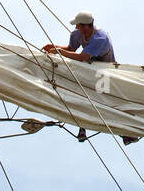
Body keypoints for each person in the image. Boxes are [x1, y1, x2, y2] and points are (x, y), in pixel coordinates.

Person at [42, 12, 138, 145]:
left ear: (86, 26)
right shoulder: (76, 34)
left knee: (105, 102)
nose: (76, 28)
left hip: (104, 71)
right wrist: (54, 46)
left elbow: (82, 56)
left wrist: (59, 52)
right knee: (81, 94)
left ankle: (125, 132)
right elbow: (71, 48)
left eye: (78, 25)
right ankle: (82, 126)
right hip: (87, 68)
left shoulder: (100, 38)